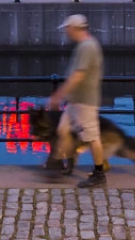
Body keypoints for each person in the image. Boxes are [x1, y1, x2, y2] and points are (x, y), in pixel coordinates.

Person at [46, 14, 107, 188]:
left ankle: (99, 174)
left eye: (68, 28)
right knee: (63, 130)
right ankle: (57, 165)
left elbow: (78, 76)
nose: (66, 32)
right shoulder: (84, 46)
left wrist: (58, 96)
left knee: (92, 137)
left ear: (75, 28)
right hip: (76, 101)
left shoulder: (87, 47)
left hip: (85, 102)